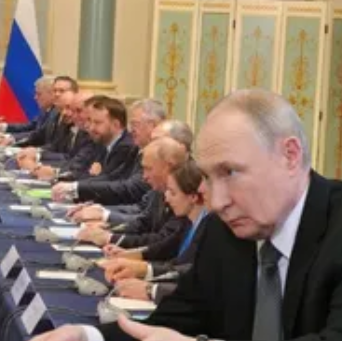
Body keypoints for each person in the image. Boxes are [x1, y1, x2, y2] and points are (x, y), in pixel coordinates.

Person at [30, 89, 342, 341]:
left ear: (290, 156)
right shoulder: (224, 232)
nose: (217, 202)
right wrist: (89, 337)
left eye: (230, 172)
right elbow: (171, 325)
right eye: (208, 178)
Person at [103, 158, 209, 303]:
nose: (166, 199)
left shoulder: (210, 229)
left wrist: (149, 285)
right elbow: (164, 248)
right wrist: (131, 256)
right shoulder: (187, 222)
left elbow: (190, 272)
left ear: (193, 197)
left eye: (172, 192)